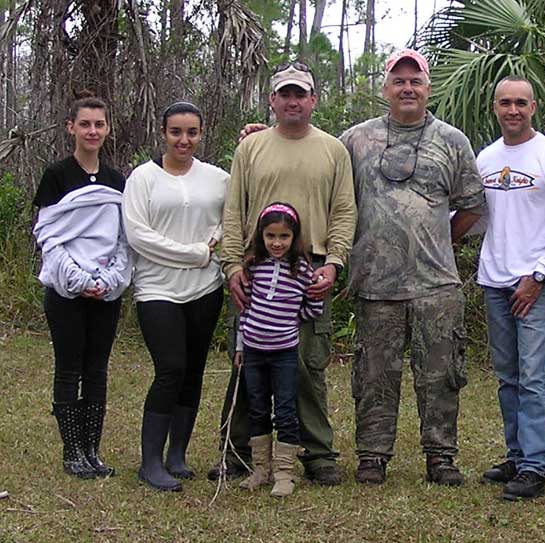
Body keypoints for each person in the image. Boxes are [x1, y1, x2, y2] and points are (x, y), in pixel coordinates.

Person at [339, 49, 485, 486]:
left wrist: (439, 242)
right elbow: (322, 181)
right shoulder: (355, 140)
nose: (407, 88)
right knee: (374, 374)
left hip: (436, 285)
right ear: (385, 89)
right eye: (399, 81)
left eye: (415, 81)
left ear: (427, 88)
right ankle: (372, 455)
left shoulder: (452, 141)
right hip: (375, 283)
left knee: (441, 375)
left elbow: (472, 205)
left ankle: (441, 456)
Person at [215, 60, 357, 486]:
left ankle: (317, 454)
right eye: (285, 94)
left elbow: (344, 211)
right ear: (272, 100)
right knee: (248, 362)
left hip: (309, 269)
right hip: (256, 268)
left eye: (300, 94)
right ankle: (238, 452)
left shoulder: (333, 150)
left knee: (307, 366)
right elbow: (234, 211)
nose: (292, 101)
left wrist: (333, 263)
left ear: (313, 99)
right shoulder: (251, 149)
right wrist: (233, 265)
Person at [477, 76, 545, 500]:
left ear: (533, 107)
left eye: (521, 102)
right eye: (505, 102)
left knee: (535, 378)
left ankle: (535, 465)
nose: (513, 110)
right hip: (494, 280)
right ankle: (516, 454)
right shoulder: (486, 158)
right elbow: (478, 217)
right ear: (495, 108)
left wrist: (541, 275)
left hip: (535, 284)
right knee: (508, 376)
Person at [122, 101, 229, 491]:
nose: (184, 140)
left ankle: (177, 455)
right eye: (176, 132)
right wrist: (196, 253)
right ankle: (150, 462)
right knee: (170, 368)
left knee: (193, 370)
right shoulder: (143, 179)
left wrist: (211, 247)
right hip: (157, 289)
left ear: (201, 134)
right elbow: (139, 236)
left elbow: (229, 221)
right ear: (163, 133)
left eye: (192, 132)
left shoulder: (218, 179)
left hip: (205, 288)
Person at [32, 94, 130, 479]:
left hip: (106, 291)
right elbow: (49, 236)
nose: (92, 131)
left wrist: (108, 280)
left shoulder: (116, 181)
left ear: (107, 129)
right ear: (70, 127)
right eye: (85, 124)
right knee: (68, 368)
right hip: (65, 289)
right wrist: (78, 279)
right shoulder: (57, 175)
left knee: (97, 370)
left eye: (99, 124)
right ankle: (71, 451)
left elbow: (122, 239)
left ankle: (92, 450)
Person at [234, 203, 322, 498]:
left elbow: (312, 308)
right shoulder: (253, 266)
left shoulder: (302, 269)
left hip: (284, 351)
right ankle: (261, 468)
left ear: (293, 237)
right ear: (261, 236)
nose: (277, 243)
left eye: (284, 236)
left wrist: (288, 321)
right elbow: (244, 309)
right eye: (270, 236)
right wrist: (241, 345)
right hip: (253, 350)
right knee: (257, 406)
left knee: (284, 408)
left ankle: (285, 471)